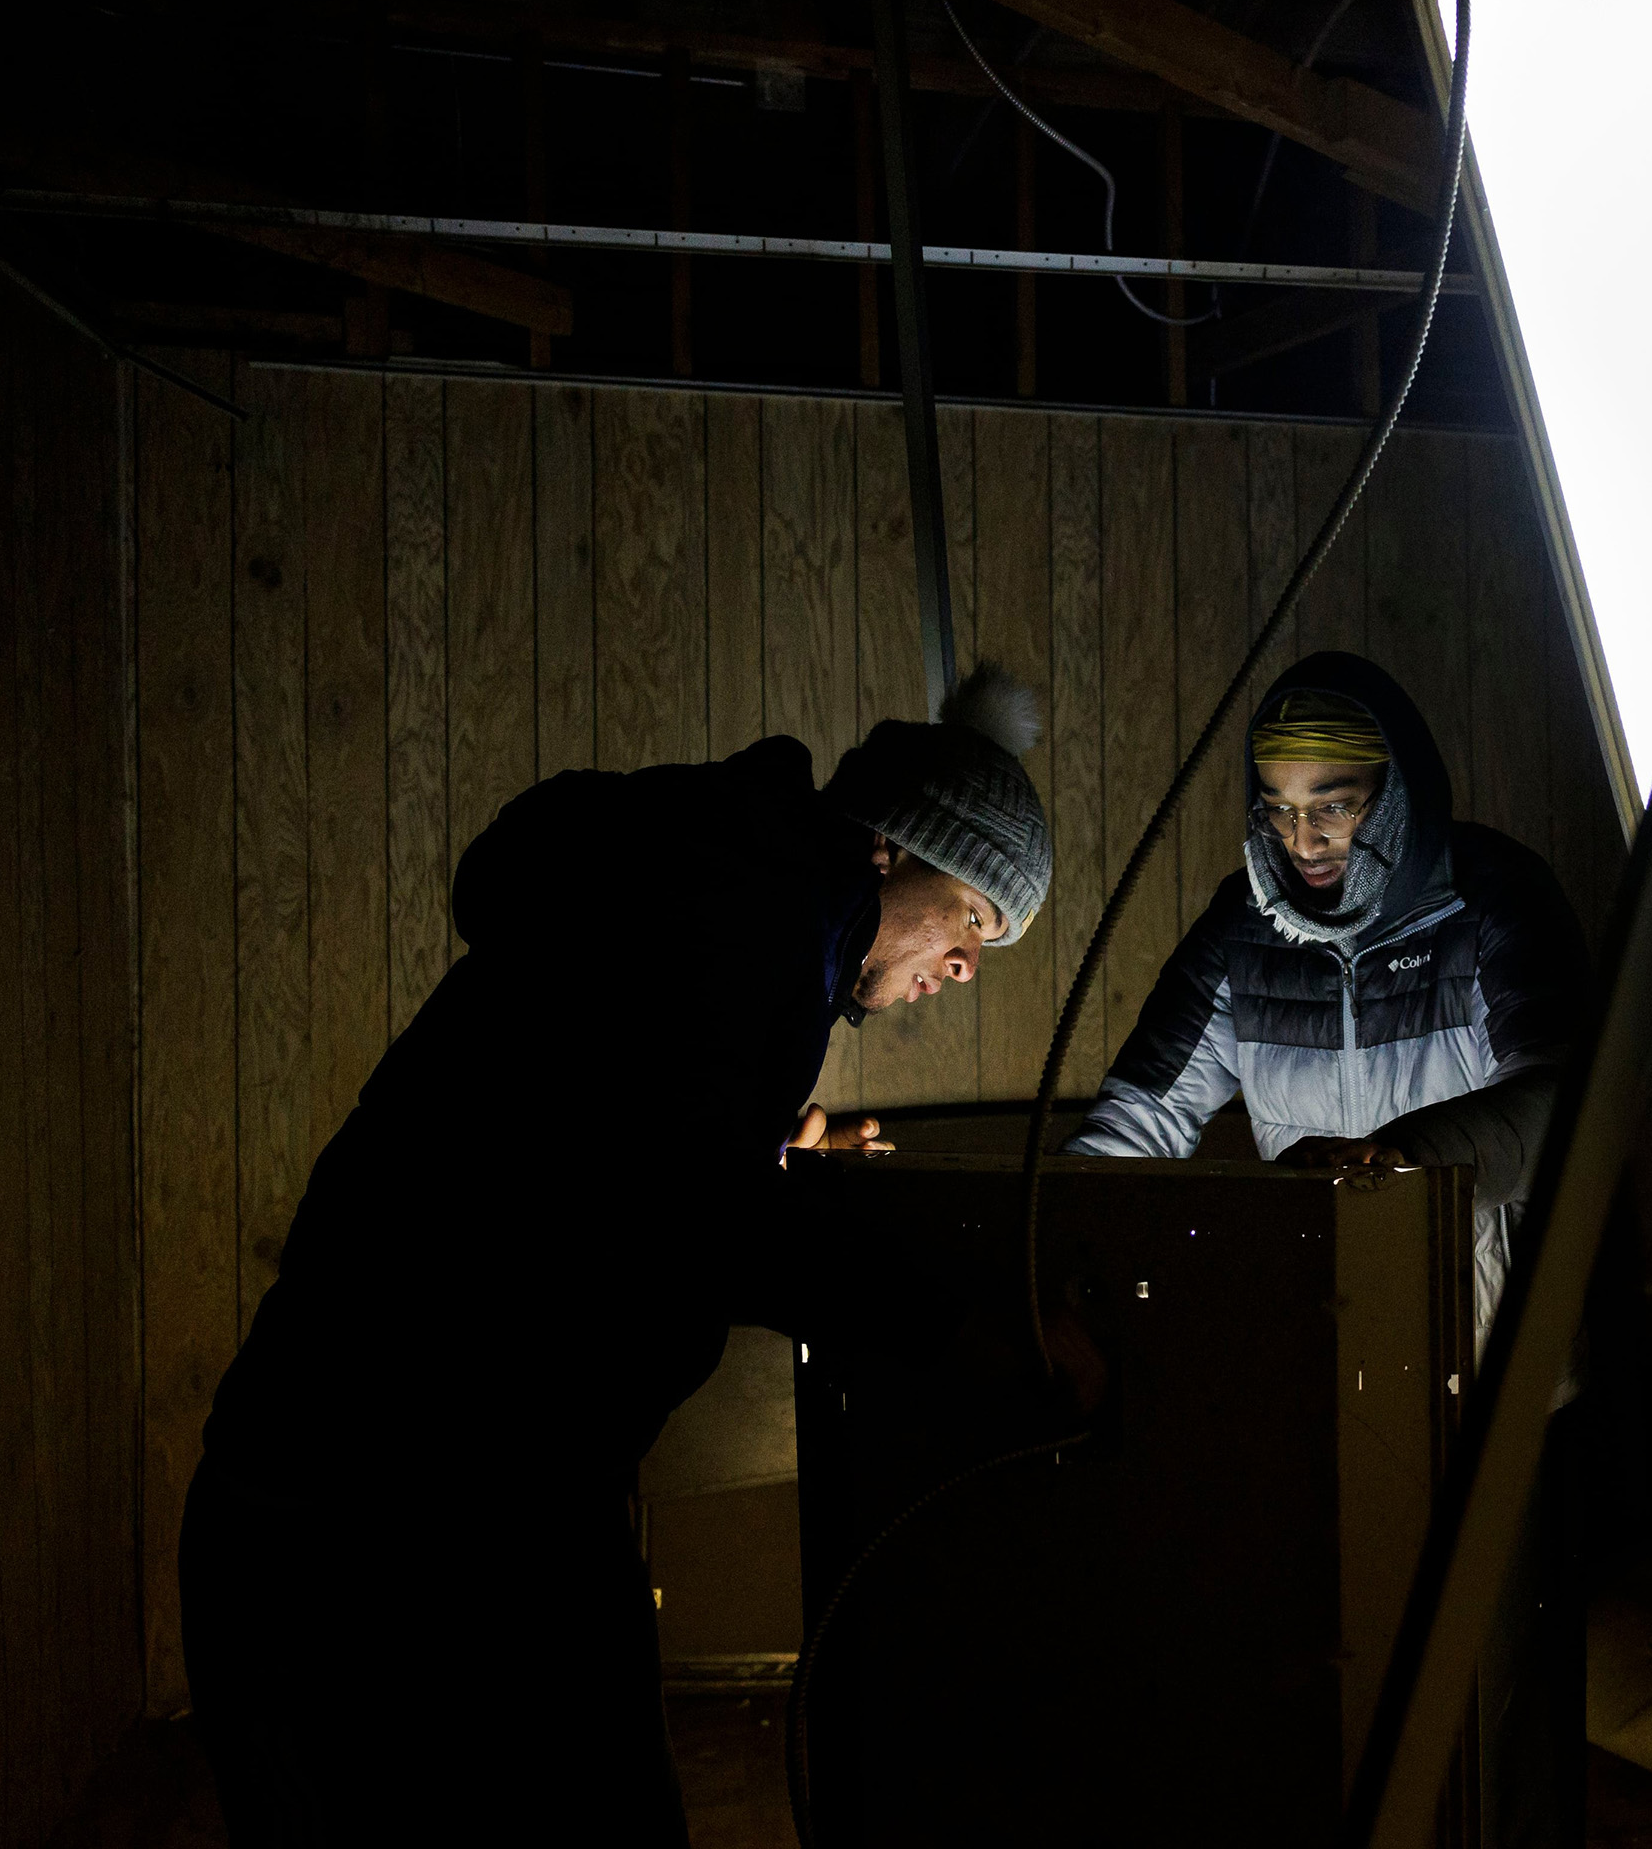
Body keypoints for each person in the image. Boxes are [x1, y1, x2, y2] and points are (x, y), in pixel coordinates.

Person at [181, 668, 1054, 1847]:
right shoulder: (741, 913)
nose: (965, 966)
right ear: (897, 850)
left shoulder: (723, 895)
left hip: (396, 1483)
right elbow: (688, 1196)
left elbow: (618, 1142)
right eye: (975, 921)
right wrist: (963, 1331)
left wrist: (756, 1142)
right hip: (402, 1508)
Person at [1066, 649, 1591, 1846]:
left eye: (1334, 805)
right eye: (1281, 808)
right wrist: (1071, 1240)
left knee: (1497, 1726)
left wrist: (1398, 1161)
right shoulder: (1239, 933)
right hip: (1323, 1387)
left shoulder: (1495, 900)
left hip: (1496, 1386)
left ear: (1393, 792)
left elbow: (1568, 1098)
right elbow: (1141, 1111)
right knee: (1329, 1709)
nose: (1304, 839)